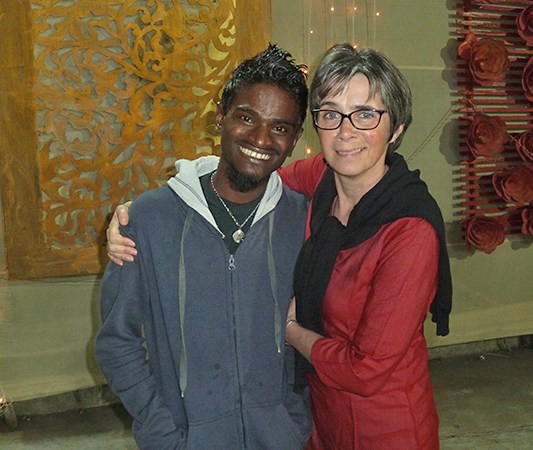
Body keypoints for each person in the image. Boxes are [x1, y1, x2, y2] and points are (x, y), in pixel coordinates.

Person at [108, 43, 452, 449]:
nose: (346, 132)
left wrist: (291, 333)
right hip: (319, 425)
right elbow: (250, 173)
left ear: (396, 129)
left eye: (365, 115)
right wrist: (146, 211)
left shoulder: (408, 230)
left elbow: (367, 370)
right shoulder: (319, 182)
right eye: (331, 114)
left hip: (385, 427)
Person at [95, 44, 312, 450]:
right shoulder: (150, 219)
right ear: (220, 117)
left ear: (296, 138)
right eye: (246, 118)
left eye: (280, 128)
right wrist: (163, 434)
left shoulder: (302, 220)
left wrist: (292, 422)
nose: (260, 138)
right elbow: (116, 341)